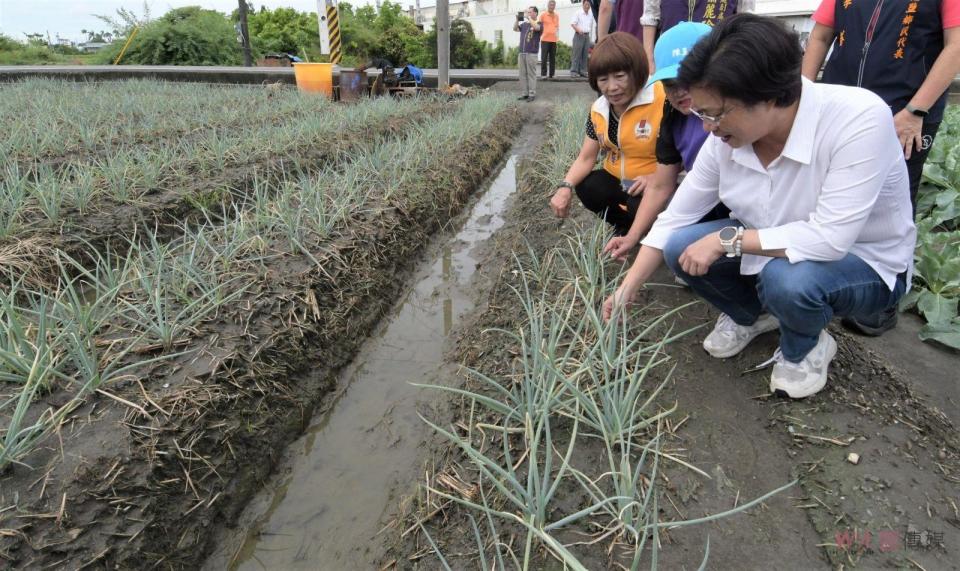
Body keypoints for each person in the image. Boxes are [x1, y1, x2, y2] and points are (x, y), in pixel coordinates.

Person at [603, 14, 916, 399]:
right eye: (701, 113)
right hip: (775, 248)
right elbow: (676, 216)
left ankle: (805, 346)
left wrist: (726, 239)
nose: (707, 127)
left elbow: (830, 239)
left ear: (766, 96)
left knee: (787, 280)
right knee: (678, 245)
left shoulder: (857, 118)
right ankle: (754, 315)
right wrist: (628, 287)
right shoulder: (726, 140)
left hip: (861, 260)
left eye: (715, 113)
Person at [801, 0, 960, 336]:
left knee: (896, 202)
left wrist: (915, 111)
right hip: (839, 105)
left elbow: (956, 45)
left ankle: (883, 298)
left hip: (903, 113)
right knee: (826, 188)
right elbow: (820, 36)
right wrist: (804, 94)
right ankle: (828, 275)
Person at [603, 22, 724, 262]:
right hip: (706, 199)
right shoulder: (672, 117)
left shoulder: (737, 113)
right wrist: (632, 236)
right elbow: (661, 185)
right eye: (669, 85)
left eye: (687, 80)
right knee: (654, 215)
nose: (678, 92)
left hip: (744, 209)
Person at [549, 32, 667, 235]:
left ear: (637, 71)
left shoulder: (661, 98)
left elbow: (686, 154)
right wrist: (564, 187)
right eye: (603, 79)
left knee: (638, 202)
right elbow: (586, 158)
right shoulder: (599, 110)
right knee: (588, 186)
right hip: (620, 180)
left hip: (656, 182)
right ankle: (626, 226)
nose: (612, 87)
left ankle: (654, 234)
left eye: (620, 76)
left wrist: (655, 178)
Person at [640, 0, 753, 72]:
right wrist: (649, 61)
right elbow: (650, 17)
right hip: (671, 56)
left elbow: (744, 19)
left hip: (715, 57)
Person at [514, 6, 542, 101]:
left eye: (530, 12)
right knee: (522, 74)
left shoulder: (539, 23)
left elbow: (537, 28)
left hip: (531, 53)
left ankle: (532, 94)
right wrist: (517, 19)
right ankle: (525, 93)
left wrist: (528, 17)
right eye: (528, 12)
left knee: (531, 74)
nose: (528, 14)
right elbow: (515, 28)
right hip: (521, 52)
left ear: (535, 13)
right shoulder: (524, 24)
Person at [571, 0, 596, 78]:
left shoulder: (590, 14)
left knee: (585, 54)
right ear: (583, 4)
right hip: (579, 35)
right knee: (577, 54)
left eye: (588, 5)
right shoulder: (578, 13)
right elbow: (573, 24)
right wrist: (579, 30)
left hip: (587, 36)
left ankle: (583, 71)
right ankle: (574, 71)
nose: (587, 6)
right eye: (586, 4)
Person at [539, 1, 560, 79]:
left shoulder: (557, 16)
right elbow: (539, 27)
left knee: (552, 58)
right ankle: (543, 74)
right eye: (551, 5)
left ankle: (552, 74)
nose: (552, 6)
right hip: (545, 39)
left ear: (555, 6)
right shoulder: (543, 15)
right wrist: (540, 37)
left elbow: (557, 28)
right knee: (544, 57)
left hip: (553, 40)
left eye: (553, 5)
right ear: (548, 6)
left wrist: (557, 37)